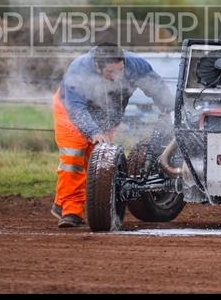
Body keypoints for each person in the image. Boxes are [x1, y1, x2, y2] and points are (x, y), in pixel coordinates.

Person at [51, 42, 173, 228]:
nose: (117, 76)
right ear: (97, 67)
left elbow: (156, 88)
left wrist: (169, 110)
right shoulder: (79, 70)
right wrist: (93, 132)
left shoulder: (136, 65)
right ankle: (70, 211)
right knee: (73, 160)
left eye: (120, 70)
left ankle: (78, 204)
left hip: (107, 116)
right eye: (111, 72)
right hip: (70, 111)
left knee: (97, 162)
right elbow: (76, 108)